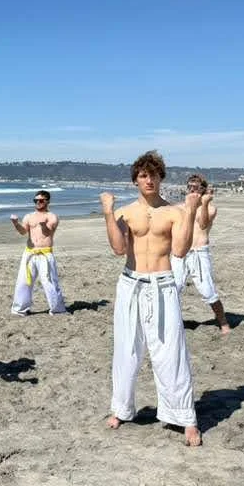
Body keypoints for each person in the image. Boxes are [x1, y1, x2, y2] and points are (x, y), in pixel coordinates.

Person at [100, 151, 202, 447]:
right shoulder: (126, 213)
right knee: (126, 349)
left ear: (161, 178)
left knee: (171, 350)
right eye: (143, 175)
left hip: (162, 284)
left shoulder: (174, 212)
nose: (149, 180)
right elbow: (118, 249)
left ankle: (185, 417)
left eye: (153, 175)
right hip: (130, 283)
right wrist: (108, 213)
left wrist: (191, 211)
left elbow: (180, 250)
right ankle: (121, 409)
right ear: (135, 180)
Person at [171, 175, 231, 334]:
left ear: (203, 189)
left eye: (196, 187)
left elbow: (203, 224)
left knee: (207, 291)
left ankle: (223, 323)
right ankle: (172, 321)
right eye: (189, 186)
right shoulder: (179, 207)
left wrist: (204, 202)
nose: (192, 189)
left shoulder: (210, 208)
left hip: (199, 252)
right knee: (172, 288)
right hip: (180, 254)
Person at [9, 190, 67, 315]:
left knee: (49, 282)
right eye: (35, 200)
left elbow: (47, 233)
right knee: (23, 282)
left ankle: (57, 309)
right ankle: (20, 309)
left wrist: (43, 225)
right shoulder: (29, 216)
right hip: (29, 253)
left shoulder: (52, 217)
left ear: (47, 201)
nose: (38, 202)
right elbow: (23, 232)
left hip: (44, 254)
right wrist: (15, 223)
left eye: (41, 200)